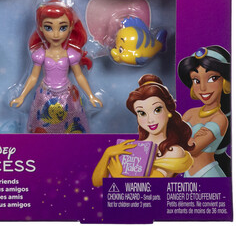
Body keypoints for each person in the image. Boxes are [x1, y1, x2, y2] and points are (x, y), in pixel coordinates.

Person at [10, 0, 102, 133]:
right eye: (49, 27)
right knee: (43, 125)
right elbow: (33, 76)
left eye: (62, 27)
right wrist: (21, 96)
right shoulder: (41, 54)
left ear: (70, 27)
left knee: (71, 124)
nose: (56, 34)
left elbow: (79, 76)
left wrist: (91, 96)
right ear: (41, 28)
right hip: (45, 95)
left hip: (67, 94)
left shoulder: (70, 54)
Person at [92, 74, 193, 186]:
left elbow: (153, 186)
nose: (150, 120)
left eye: (157, 110)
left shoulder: (173, 151)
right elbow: (97, 183)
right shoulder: (133, 147)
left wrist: (120, 178)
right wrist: (107, 153)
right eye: (142, 113)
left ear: (168, 110)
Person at [178, 46, 231, 177]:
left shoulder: (220, 119)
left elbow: (193, 148)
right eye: (196, 80)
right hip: (187, 175)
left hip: (209, 174)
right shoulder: (190, 113)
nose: (202, 88)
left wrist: (177, 137)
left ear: (224, 81)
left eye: (212, 78)